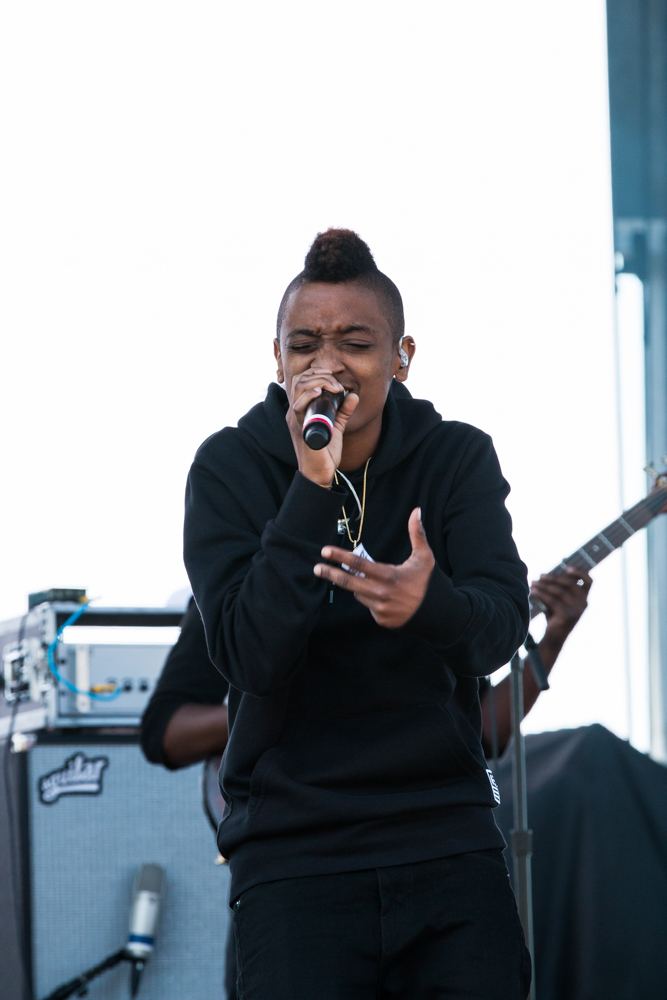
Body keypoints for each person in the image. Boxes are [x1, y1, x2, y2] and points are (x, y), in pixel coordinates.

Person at [183, 228, 531, 999]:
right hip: (294, 856)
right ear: (275, 358)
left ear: (401, 357)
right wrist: (309, 489)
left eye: (355, 343)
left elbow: (502, 626)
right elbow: (249, 657)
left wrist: (427, 605)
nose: (327, 364)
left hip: (443, 838)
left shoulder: (456, 457)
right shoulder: (229, 468)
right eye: (303, 343)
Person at [141, 566, 592, 999]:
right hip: (297, 873)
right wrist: (275, 707)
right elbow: (165, 732)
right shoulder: (245, 577)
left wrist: (553, 638)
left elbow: (487, 729)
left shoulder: (427, 569)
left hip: (434, 863)